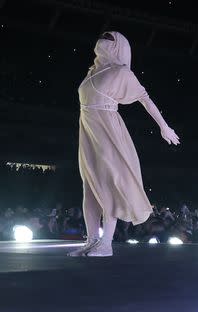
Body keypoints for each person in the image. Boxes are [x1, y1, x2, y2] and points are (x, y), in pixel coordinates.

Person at [69, 32, 179, 257]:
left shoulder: (120, 72)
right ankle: (91, 240)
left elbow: (145, 98)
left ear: (118, 46)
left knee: (108, 183)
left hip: (108, 129)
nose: (103, 39)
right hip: (88, 129)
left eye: (109, 38)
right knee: (89, 188)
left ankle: (106, 243)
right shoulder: (92, 71)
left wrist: (164, 126)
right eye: (101, 36)